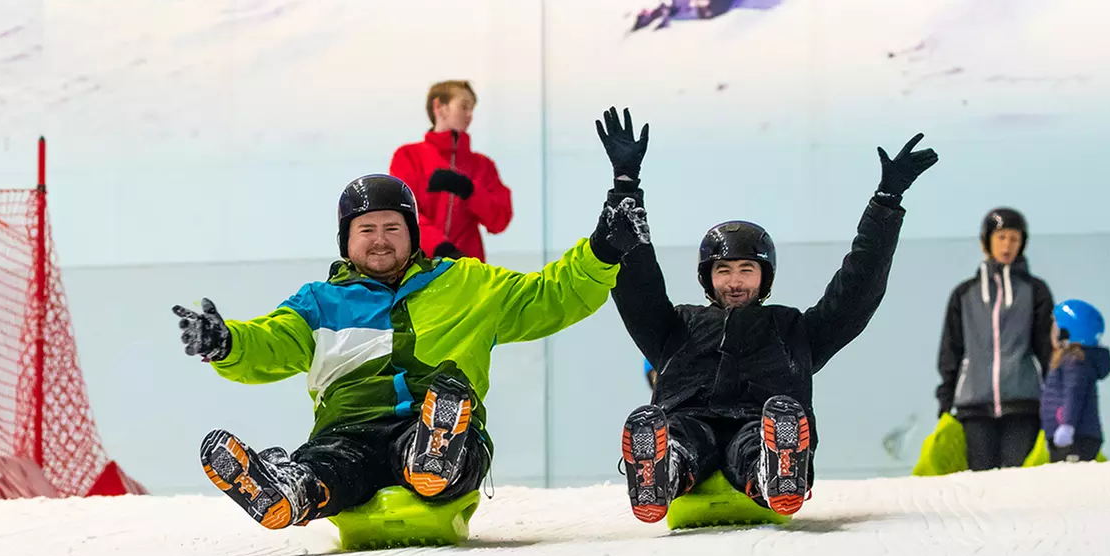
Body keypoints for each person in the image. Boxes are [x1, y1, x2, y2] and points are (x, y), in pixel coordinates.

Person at [172, 167, 626, 529]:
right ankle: (292, 488)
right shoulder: (318, 303)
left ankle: (435, 452)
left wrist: (603, 249)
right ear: (346, 242)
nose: (380, 239)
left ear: (412, 234)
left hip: (432, 417)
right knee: (332, 462)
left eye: (392, 227)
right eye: (366, 229)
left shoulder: (466, 283)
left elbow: (550, 296)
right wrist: (226, 342)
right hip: (351, 429)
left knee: (447, 428)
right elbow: (269, 341)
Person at [593, 106, 939, 520]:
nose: (735, 281)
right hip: (689, 418)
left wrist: (886, 203)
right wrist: (625, 187)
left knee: (757, 438)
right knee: (681, 436)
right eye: (724, 271)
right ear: (708, 278)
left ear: (764, 276)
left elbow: (857, 290)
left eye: (746, 270)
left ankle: (775, 470)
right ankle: (662, 470)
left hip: (765, 420)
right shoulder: (675, 327)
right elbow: (637, 282)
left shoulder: (793, 329)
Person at [935, 207, 1056, 471]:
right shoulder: (965, 294)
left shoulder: (1036, 291)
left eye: (1014, 238)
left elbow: (1046, 348)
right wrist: (945, 401)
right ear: (985, 242)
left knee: (1018, 478)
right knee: (981, 481)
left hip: (1023, 403)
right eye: (1001, 237)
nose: (1007, 245)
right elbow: (951, 350)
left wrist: (1056, 399)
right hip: (974, 405)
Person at [388, 80, 513, 262]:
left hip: (468, 271)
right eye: (464, 107)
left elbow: (499, 220)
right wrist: (439, 246)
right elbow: (403, 213)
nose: (470, 115)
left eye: (472, 109)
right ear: (440, 107)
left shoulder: (483, 165)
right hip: (420, 268)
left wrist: (470, 191)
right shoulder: (408, 157)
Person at [1040, 299, 1110, 463]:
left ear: (1066, 331)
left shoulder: (1073, 361)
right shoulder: (1069, 359)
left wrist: (1067, 425)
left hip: (1075, 436)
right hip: (1072, 434)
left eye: (1055, 327)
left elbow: (1073, 393)